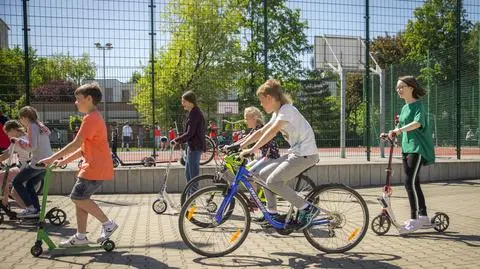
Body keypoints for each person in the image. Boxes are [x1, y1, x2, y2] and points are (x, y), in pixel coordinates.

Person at [39, 82, 118, 247]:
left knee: (77, 197)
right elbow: (83, 149)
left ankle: (107, 223)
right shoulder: (92, 118)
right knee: (81, 199)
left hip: (94, 168)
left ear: (89, 99)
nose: (75, 103)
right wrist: (63, 161)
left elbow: (76, 143)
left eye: (78, 99)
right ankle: (81, 236)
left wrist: (51, 158)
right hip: (94, 166)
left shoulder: (91, 118)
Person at [240, 79, 319, 230]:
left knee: (273, 182)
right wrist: (239, 145)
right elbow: (262, 131)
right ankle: (272, 213)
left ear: (270, 98)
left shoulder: (287, 110)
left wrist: (252, 149)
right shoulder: (278, 112)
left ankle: (307, 209)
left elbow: (272, 132)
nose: (261, 105)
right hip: (296, 153)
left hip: (305, 155)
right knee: (261, 174)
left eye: (262, 101)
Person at [385, 76, 435, 233]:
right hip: (407, 148)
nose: (398, 90)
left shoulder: (418, 105)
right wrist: (389, 133)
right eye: (397, 88)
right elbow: (399, 127)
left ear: (411, 88)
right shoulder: (404, 108)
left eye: (402, 87)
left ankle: (414, 219)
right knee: (414, 183)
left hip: (417, 148)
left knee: (409, 183)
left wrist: (398, 130)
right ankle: (424, 218)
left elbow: (417, 123)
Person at [12, 106, 53, 218]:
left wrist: (19, 142)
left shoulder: (32, 126)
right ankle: (36, 210)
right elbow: (36, 143)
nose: (20, 121)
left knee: (17, 182)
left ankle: (30, 208)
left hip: (38, 162)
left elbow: (32, 147)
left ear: (25, 117)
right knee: (30, 185)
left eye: (20, 119)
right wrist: (21, 140)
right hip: (47, 162)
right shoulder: (40, 126)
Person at [171, 91, 206, 194]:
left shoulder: (195, 114)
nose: (182, 104)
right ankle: (190, 198)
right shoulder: (193, 113)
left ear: (190, 102)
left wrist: (176, 140)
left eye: (184, 101)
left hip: (195, 147)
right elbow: (189, 133)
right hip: (191, 147)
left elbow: (190, 133)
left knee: (193, 175)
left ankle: (193, 199)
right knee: (188, 174)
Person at [0, 120, 29, 209]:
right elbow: (7, 151)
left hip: (24, 169)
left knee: (14, 193)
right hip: (24, 167)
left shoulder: (17, 141)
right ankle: (5, 204)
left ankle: (30, 211)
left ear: (13, 130)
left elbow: (7, 154)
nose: (8, 136)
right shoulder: (25, 137)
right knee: (1, 176)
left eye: (8, 133)